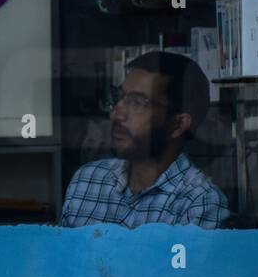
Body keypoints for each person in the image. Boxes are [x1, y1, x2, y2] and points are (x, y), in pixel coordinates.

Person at [61, 51, 229, 229]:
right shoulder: (87, 180)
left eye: (137, 103)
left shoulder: (200, 202)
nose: (116, 115)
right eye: (119, 97)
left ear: (178, 124)